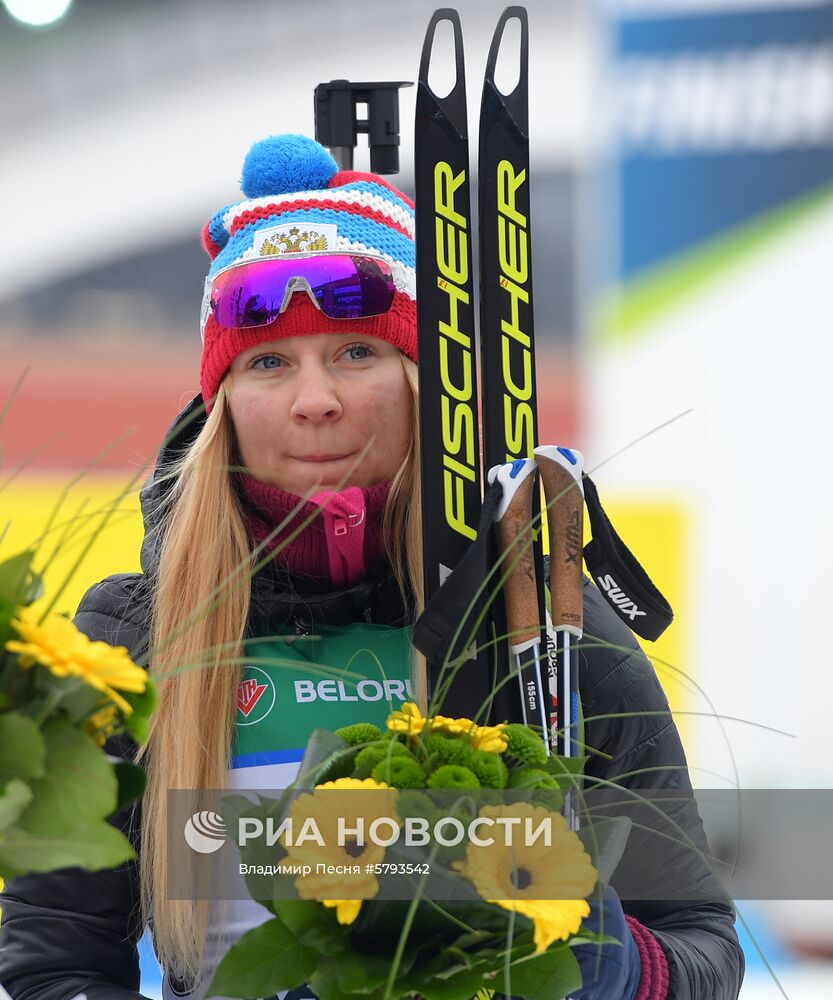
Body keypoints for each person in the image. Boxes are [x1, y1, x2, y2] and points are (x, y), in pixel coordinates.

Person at [0, 134, 744, 1000]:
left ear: (422, 381)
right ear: (224, 405)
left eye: (356, 352)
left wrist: (608, 959)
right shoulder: (135, 636)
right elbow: (54, 966)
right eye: (268, 362)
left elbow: (703, 951)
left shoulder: (541, 625)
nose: (314, 401)